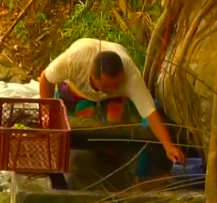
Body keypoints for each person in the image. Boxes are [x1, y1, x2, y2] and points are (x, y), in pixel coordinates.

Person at [39, 38, 185, 164]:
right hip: (75, 91)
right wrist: (46, 116)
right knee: (73, 129)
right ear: (92, 76)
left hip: (111, 100)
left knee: (114, 130)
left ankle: (110, 165)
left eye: (117, 83)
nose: (114, 87)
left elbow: (149, 111)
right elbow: (46, 78)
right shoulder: (73, 61)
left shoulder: (131, 76)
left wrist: (168, 146)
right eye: (108, 85)